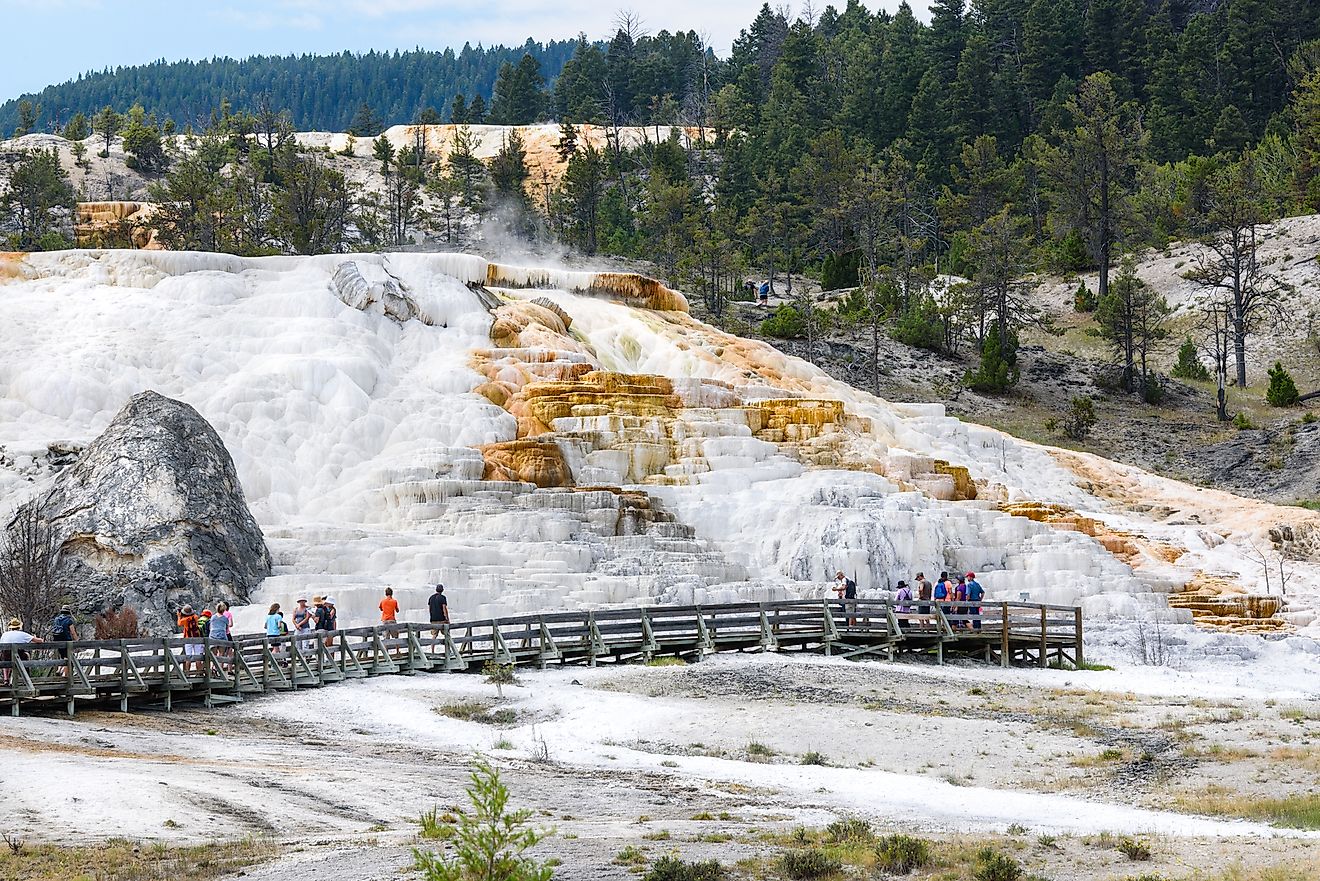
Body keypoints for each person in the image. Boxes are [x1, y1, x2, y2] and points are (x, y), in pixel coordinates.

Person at [1, 618, 43, 685]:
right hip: (18, 656)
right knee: (26, 655)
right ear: (19, 627)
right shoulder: (23, 634)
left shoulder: (4, 634)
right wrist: (38, 638)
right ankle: (25, 678)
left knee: (5, 658)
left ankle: (6, 679)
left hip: (6, 656)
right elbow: (39, 641)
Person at [52, 605, 78, 677]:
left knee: (62, 656)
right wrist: (77, 640)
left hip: (57, 641)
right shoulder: (69, 620)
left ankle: (59, 669)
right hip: (66, 641)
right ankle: (64, 675)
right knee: (68, 658)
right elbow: (72, 632)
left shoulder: (56, 619)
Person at [178, 605, 203, 674]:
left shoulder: (184, 620)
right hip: (197, 638)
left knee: (188, 656)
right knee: (198, 656)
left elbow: (179, 623)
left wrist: (179, 616)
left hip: (188, 638)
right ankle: (199, 673)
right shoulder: (196, 617)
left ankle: (187, 673)